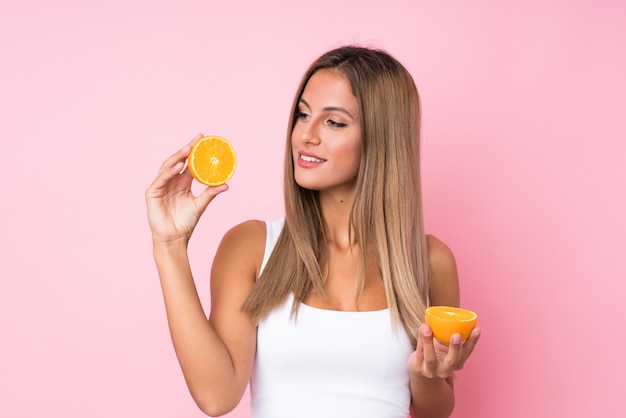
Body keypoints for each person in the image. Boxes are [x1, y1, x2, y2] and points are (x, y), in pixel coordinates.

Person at [145, 45, 481, 418]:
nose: (305, 135)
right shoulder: (252, 247)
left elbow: (434, 411)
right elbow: (217, 396)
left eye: (333, 122)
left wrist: (427, 375)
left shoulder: (430, 261)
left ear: (382, 139)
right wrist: (169, 244)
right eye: (302, 115)